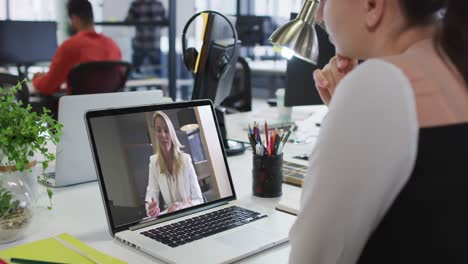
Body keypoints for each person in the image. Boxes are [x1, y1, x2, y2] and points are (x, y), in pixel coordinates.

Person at [289, 0, 468, 263]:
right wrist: (346, 114)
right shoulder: (455, 66)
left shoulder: (380, 84)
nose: (318, 14)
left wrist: (352, 106)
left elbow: (313, 255)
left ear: (372, 5)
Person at [32, 0, 122, 95]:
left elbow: (48, 86)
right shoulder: (113, 46)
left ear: (74, 18)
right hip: (107, 107)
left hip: (77, 108)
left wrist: (37, 78)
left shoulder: (70, 46)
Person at [145, 111, 203, 217]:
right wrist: (151, 209)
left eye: (166, 130)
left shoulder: (186, 160)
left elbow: (198, 199)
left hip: (190, 215)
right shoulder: (154, 162)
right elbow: (151, 195)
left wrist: (183, 206)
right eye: (158, 130)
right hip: (170, 219)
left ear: (172, 133)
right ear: (155, 133)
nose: (162, 135)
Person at [125, 0, 166, 76]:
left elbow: (128, 22)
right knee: (158, 74)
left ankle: (134, 87)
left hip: (140, 44)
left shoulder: (136, 4)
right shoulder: (158, 4)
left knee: (135, 73)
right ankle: (159, 86)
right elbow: (165, 22)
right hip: (154, 44)